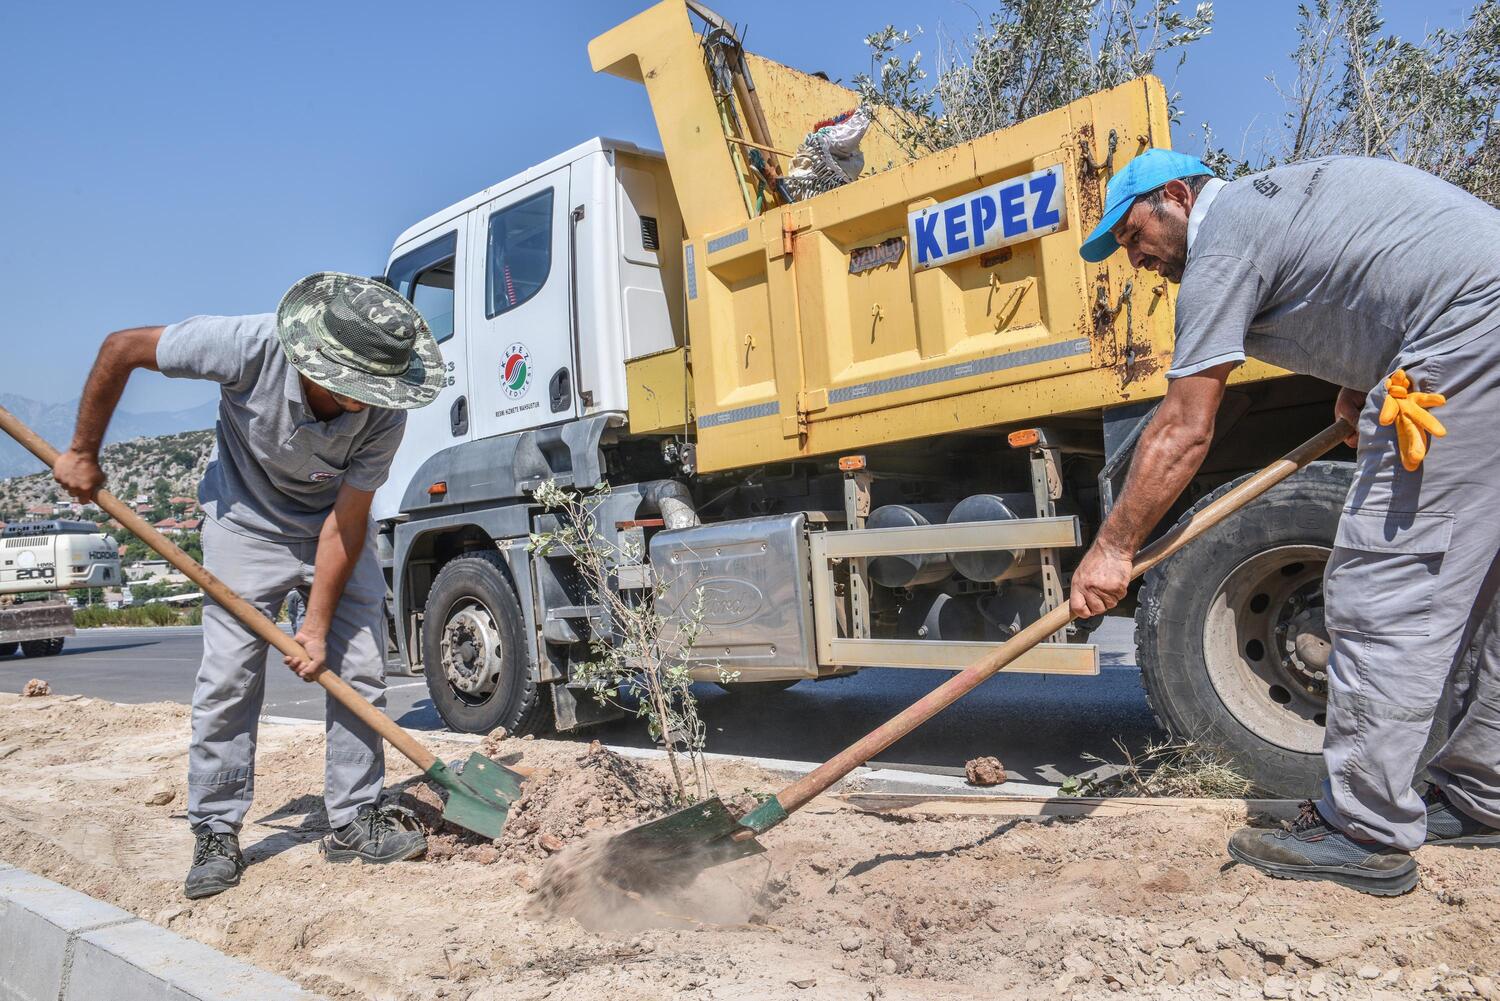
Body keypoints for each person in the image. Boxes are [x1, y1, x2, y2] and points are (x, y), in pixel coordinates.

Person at [1070, 149, 1500, 896]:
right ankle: (1484, 792)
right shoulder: (1278, 207)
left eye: (1134, 234)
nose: (1134, 257)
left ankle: (1363, 831)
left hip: (1468, 335)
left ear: (1176, 196)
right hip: (1473, 324)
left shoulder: (1226, 235)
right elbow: (1368, 277)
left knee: (1382, 580)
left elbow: (1184, 427)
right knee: (1483, 587)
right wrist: (1358, 383)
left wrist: (1112, 549)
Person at [53, 273, 445, 899]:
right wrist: (82, 450)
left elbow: (347, 521)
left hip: (329, 528)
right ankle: (215, 828)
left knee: (361, 670)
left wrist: (314, 627)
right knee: (231, 677)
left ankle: (352, 819)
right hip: (244, 523)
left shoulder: (385, 408)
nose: (364, 400)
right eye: (352, 385)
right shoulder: (246, 345)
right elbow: (121, 347)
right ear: (314, 355)